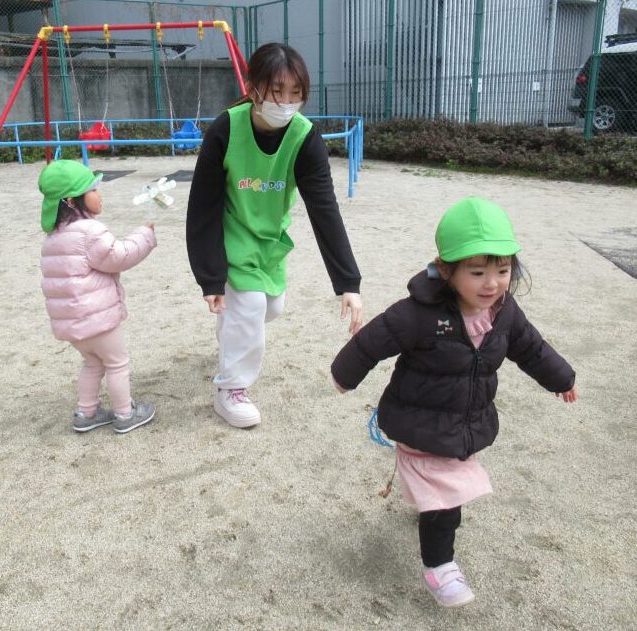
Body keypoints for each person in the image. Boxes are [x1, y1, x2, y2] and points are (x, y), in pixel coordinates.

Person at [331, 197, 578, 608]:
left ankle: (430, 515)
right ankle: (440, 568)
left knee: (445, 494)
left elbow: (532, 348)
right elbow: (373, 340)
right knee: (446, 503)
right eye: (477, 272)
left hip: (463, 424)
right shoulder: (419, 314)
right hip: (420, 423)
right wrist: (344, 376)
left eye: (503, 270)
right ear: (446, 270)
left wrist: (561, 378)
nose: (492, 283)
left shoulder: (504, 313)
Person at [187, 42, 363, 429]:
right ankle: (230, 390)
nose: (286, 103)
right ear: (253, 88)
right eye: (277, 91)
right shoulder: (226, 129)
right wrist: (210, 276)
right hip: (233, 234)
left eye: (295, 93)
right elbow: (202, 206)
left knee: (270, 309)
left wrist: (348, 282)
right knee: (249, 307)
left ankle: (232, 332)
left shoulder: (304, 137)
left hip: (269, 239)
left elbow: (324, 208)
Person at [38, 159, 157, 434]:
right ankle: (125, 414)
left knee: (92, 363)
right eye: (92, 190)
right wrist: (145, 235)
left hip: (72, 323)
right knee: (117, 363)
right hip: (97, 319)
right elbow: (119, 256)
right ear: (71, 201)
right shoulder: (89, 232)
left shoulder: (53, 237)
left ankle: (86, 412)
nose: (99, 194)